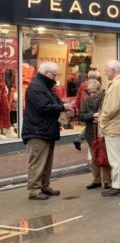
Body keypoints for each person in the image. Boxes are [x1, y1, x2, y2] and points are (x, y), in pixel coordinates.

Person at [21, 62, 74, 200]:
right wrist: (63, 107)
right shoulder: (36, 87)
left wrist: (64, 106)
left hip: (46, 129)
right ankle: (34, 190)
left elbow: (55, 103)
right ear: (47, 73)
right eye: (54, 74)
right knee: (38, 162)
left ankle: (44, 186)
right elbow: (43, 107)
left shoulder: (45, 86)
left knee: (46, 162)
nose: (55, 77)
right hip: (37, 130)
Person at [98, 60, 120, 197]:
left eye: (107, 71)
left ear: (113, 71)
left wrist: (102, 120)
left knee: (116, 157)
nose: (105, 73)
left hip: (114, 126)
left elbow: (111, 108)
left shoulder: (116, 85)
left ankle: (118, 185)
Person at [77, 79, 112, 190]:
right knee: (94, 158)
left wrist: (100, 116)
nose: (92, 94)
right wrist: (92, 115)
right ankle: (96, 180)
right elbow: (81, 116)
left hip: (103, 132)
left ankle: (107, 180)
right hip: (91, 133)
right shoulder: (87, 101)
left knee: (104, 156)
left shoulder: (106, 98)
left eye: (94, 92)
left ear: (99, 89)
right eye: (90, 92)